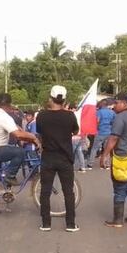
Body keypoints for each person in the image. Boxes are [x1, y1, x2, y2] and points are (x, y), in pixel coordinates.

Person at [36, 85, 79, 232]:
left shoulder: (41, 115)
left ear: (50, 98)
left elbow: (40, 132)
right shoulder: (70, 116)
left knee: (45, 191)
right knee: (68, 192)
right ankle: (71, 224)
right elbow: (75, 131)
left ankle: (46, 224)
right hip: (65, 158)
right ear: (64, 100)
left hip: (48, 157)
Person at [99, 93, 127, 228]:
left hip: (122, 158)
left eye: (116, 102)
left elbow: (113, 138)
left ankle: (118, 220)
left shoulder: (120, 117)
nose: (114, 105)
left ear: (124, 104)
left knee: (120, 189)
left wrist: (104, 155)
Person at [0, 93, 39, 187]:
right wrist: (34, 137)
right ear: (9, 104)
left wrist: (31, 140)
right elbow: (18, 134)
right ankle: (10, 176)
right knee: (20, 152)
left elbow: (17, 130)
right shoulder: (3, 116)